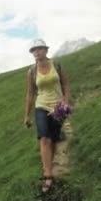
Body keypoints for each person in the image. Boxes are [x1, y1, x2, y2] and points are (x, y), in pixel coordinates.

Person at [23, 38, 71, 192]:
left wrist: (65, 101)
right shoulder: (31, 71)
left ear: (46, 50)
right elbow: (30, 94)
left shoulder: (57, 65)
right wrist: (26, 116)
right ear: (32, 53)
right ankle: (48, 174)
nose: (37, 52)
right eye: (34, 50)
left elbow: (66, 84)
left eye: (40, 49)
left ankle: (49, 164)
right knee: (44, 138)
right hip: (41, 106)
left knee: (54, 139)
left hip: (58, 107)